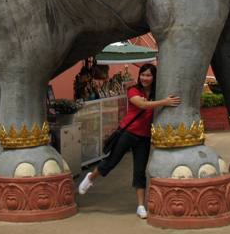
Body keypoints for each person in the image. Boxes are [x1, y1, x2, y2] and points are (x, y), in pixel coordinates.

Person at [77, 63, 180, 219]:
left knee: (140, 172)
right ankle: (91, 177)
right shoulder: (133, 90)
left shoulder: (157, 93)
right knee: (111, 162)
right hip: (128, 133)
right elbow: (142, 105)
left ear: (154, 77)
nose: (145, 78)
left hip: (144, 138)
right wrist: (164, 102)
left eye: (149, 75)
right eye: (143, 75)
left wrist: (164, 100)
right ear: (139, 76)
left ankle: (140, 206)